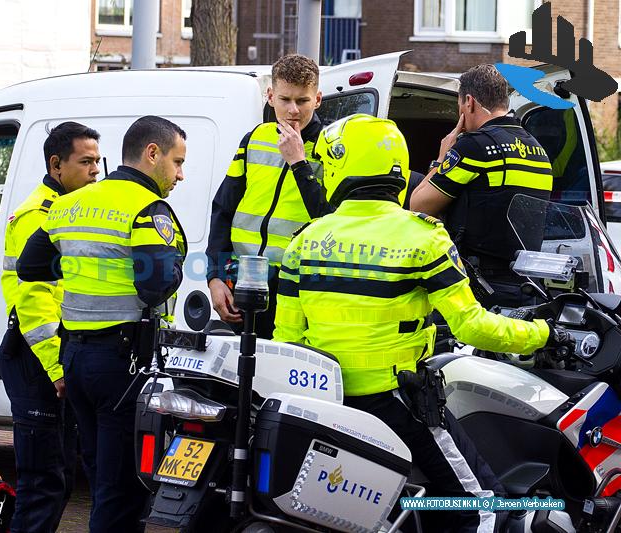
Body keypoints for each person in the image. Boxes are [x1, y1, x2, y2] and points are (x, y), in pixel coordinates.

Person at [273, 114, 573, 533]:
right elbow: (471, 327)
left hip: (327, 405)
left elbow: (287, 340)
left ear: (341, 166)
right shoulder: (423, 236)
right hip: (397, 404)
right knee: (480, 509)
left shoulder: (304, 241)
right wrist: (544, 333)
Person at [17, 115, 187, 533]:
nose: (180, 175)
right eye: (177, 162)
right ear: (152, 154)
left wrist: (82, 272)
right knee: (123, 491)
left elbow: (30, 265)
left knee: (100, 476)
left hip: (76, 361)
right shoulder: (147, 208)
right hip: (123, 365)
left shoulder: (68, 204)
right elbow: (156, 285)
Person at [0, 121, 99, 533]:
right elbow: (34, 305)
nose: (96, 170)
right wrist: (58, 369)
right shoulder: (36, 217)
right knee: (43, 483)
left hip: (61, 354)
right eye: (86, 161)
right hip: (37, 358)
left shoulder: (73, 212)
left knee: (57, 481)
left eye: (98, 160)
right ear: (56, 165)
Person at [205, 53, 330, 339]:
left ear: (318, 99)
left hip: (294, 286)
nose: (293, 110)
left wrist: (299, 162)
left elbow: (329, 217)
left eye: (302, 101)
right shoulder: (253, 139)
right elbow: (223, 209)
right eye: (285, 100)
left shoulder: (331, 145)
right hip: (242, 277)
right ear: (270, 96)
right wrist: (214, 276)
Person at [410, 64, 553, 308]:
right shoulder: (538, 150)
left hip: (478, 289)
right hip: (525, 287)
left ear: (469, 102)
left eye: (460, 106)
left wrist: (441, 158)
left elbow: (418, 205)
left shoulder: (475, 147)